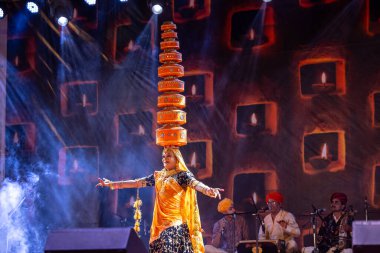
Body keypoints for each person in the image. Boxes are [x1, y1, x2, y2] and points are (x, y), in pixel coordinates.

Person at [97, 146, 224, 253]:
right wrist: (111, 184)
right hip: (159, 226)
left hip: (176, 225)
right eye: (163, 156)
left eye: (168, 156)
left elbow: (195, 184)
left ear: (177, 158)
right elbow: (136, 183)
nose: (165, 159)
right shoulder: (159, 176)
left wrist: (208, 190)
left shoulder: (182, 175)